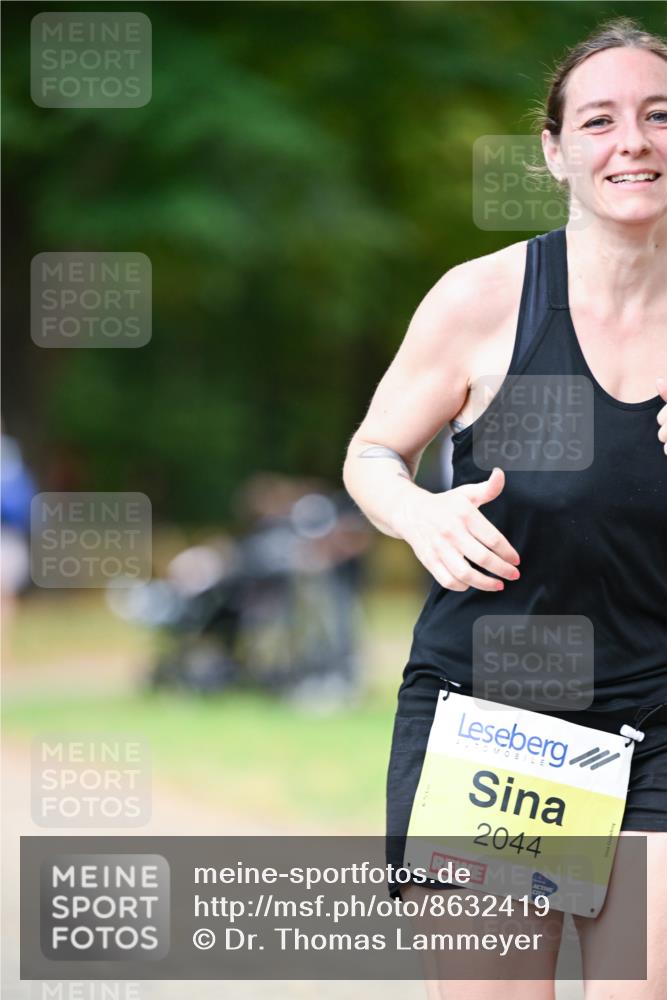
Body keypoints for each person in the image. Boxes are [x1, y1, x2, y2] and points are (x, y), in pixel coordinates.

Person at [342, 17, 667, 1000]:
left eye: (658, 115)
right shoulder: (481, 299)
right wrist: (418, 512)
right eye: (599, 120)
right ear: (554, 150)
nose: (632, 141)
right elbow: (371, 455)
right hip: (497, 716)